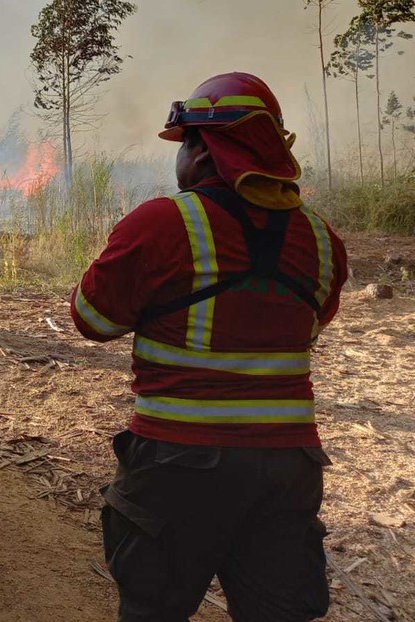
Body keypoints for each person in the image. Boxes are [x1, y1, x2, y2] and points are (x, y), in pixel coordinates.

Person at [70, 72, 347, 622]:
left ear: (203, 150)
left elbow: (91, 319)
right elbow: (307, 329)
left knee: (154, 610)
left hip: (179, 463)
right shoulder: (321, 239)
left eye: (184, 145)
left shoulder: (161, 223)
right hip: (288, 468)